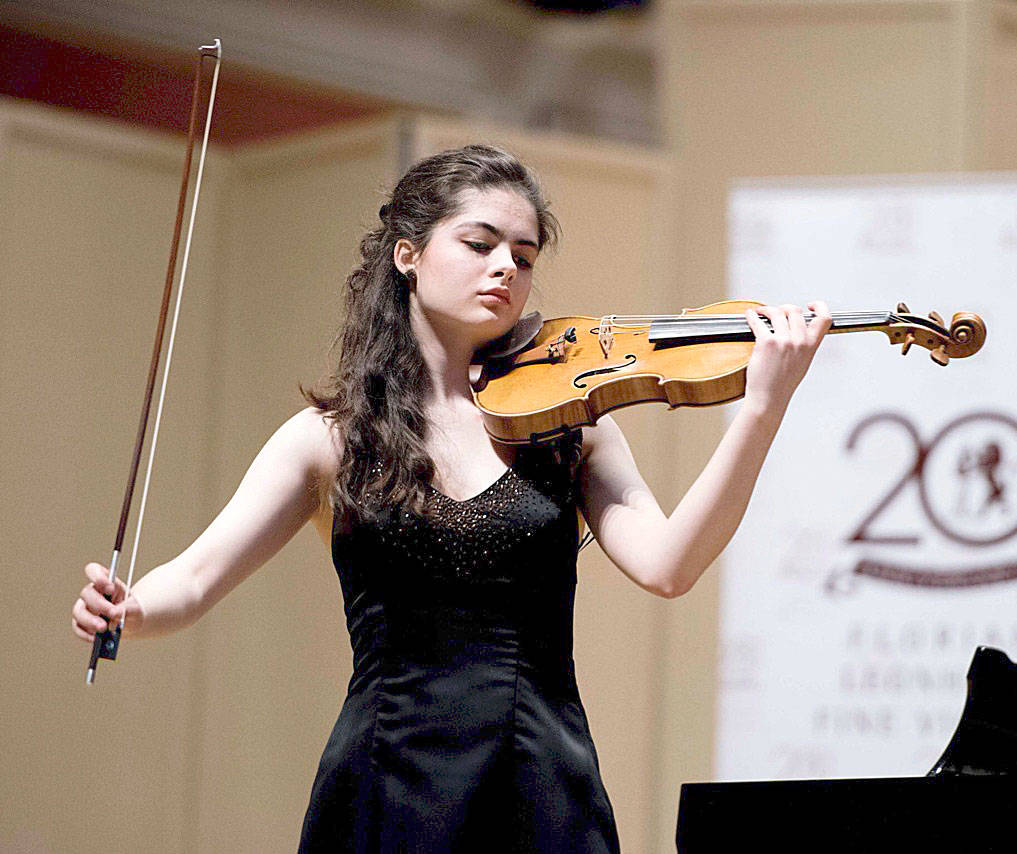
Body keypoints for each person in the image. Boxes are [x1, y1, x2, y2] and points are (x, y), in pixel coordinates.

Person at [72, 144, 832, 852]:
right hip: (385, 780)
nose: (506, 268)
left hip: (541, 781)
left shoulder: (571, 428)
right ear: (407, 254)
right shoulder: (330, 439)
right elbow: (196, 577)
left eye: (524, 257)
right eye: (480, 244)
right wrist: (130, 609)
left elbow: (670, 566)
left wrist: (761, 409)